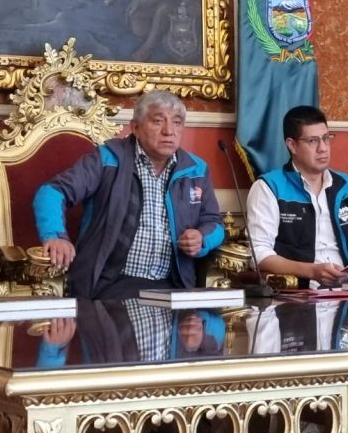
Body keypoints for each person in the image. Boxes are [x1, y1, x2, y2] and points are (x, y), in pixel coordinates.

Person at [34, 90, 224, 299]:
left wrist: (202, 239)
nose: (169, 131)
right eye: (158, 121)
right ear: (136, 128)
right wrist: (55, 236)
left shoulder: (196, 170)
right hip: (110, 284)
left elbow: (213, 222)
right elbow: (52, 192)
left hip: (174, 286)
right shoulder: (108, 159)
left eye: (177, 123)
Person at [246, 105, 348, 289]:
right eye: (313, 141)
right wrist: (311, 271)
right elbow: (259, 254)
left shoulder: (345, 185)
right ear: (292, 145)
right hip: (298, 292)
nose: (323, 148)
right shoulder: (269, 187)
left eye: (326, 138)